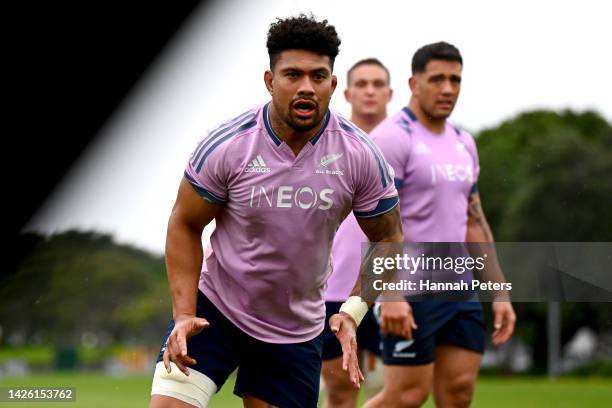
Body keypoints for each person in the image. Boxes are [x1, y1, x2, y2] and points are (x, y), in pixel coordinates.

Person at [149, 14, 406, 408]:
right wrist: (183, 314)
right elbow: (184, 223)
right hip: (216, 308)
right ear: (270, 80)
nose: (306, 87)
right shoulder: (227, 146)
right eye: (293, 75)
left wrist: (353, 311)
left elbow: (389, 238)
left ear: (333, 85)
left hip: (296, 329)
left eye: (318, 77)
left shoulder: (360, 155)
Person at [362, 42, 517, 408]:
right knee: (406, 396)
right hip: (409, 290)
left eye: (455, 80)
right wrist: (390, 294)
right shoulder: (392, 137)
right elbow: (375, 225)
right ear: (414, 83)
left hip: (458, 289)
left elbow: (474, 223)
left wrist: (499, 292)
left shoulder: (465, 142)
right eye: (437, 79)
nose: (448, 89)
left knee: (459, 394)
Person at [321, 58, 393, 408]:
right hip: (336, 291)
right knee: (341, 391)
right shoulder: (331, 145)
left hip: (394, 292)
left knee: (390, 390)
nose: (369, 91)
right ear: (345, 91)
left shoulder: (404, 144)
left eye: (377, 84)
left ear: (390, 92)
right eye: (362, 84)